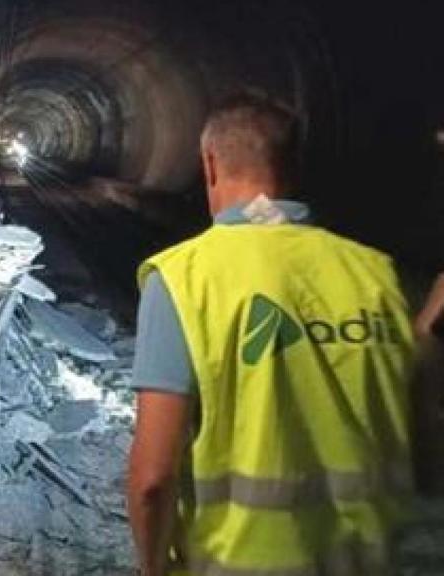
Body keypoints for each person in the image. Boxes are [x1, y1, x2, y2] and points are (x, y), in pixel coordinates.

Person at [126, 96, 423, 575]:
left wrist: (152, 567)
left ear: (209, 164)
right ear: (292, 166)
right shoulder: (375, 274)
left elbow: (152, 479)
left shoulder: (187, 278)